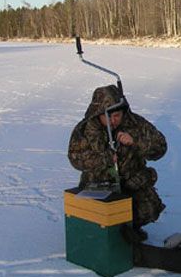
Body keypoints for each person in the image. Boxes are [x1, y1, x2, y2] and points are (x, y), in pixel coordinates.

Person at [68, 85, 167, 241]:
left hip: (131, 184)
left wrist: (135, 142)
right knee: (98, 215)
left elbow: (160, 148)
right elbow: (76, 159)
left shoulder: (136, 124)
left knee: (148, 209)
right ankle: (101, 236)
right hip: (98, 186)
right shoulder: (85, 130)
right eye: (109, 117)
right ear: (98, 114)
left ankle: (130, 229)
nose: (113, 121)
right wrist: (105, 159)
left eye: (117, 115)